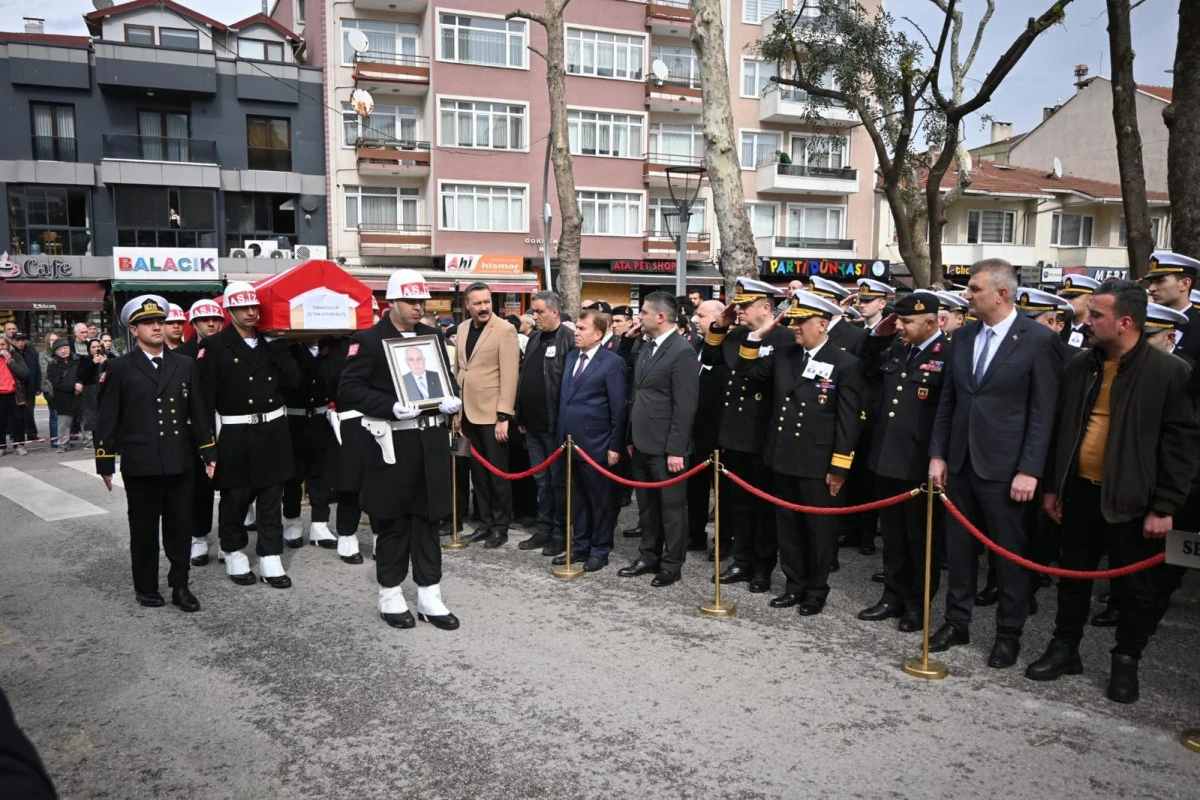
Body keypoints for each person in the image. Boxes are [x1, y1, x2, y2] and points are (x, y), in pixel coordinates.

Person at [1027, 280, 1200, 703]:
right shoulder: (1080, 366)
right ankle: (1065, 647)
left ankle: (1126, 660)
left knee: (1136, 591)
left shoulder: (1170, 373)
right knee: (1074, 577)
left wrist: (1165, 506)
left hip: (1137, 503)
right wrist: (1054, 488)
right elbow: (1061, 433)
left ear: (1125, 322)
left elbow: (1182, 448)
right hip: (1080, 494)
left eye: (1096, 315)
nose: (1086, 322)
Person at [928, 259, 1062, 668]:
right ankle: (957, 621)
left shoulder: (1038, 340)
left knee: (1009, 555)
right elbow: (948, 400)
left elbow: (1044, 413)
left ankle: (1009, 633)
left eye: (974, 289)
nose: (966, 296)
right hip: (961, 463)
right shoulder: (964, 337)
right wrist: (938, 454)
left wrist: (1030, 469)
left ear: (1001, 293)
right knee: (960, 548)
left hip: (1007, 470)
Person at [339, 269, 462, 630]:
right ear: (391, 301)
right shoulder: (369, 339)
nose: (418, 308)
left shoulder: (431, 335)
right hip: (392, 440)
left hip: (430, 439)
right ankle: (390, 594)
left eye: (422, 301)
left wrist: (452, 398)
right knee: (392, 521)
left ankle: (429, 594)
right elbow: (348, 389)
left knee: (428, 520)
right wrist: (388, 406)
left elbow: (445, 379)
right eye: (411, 301)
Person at [740, 290, 864, 616]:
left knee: (818, 532)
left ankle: (815, 589)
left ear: (822, 324)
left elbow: (848, 421)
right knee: (788, 527)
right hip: (783, 456)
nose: (795, 328)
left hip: (818, 462)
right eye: (792, 322)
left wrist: (839, 467)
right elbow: (748, 371)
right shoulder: (785, 354)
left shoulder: (845, 363)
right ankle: (793, 585)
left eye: (801, 322)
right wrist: (756, 336)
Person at [94, 294, 216, 612]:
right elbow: (107, 416)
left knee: (179, 528)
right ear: (134, 330)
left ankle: (180, 586)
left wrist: (208, 453)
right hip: (141, 462)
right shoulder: (120, 367)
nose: (157, 327)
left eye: (160, 321)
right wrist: (105, 460)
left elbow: (199, 411)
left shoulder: (184, 364)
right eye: (149, 323)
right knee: (144, 530)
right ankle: (146, 587)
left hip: (179, 459)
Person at [198, 281, 301, 589]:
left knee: (272, 498)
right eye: (244, 307)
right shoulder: (215, 347)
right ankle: (232, 550)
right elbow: (203, 402)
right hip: (236, 432)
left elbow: (294, 383)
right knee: (235, 498)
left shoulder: (271, 344)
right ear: (230, 310)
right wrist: (208, 449)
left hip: (273, 430)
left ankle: (271, 556)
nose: (252, 312)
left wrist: (278, 346)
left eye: (255, 306)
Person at [857, 292, 946, 631]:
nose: (901, 327)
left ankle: (917, 604)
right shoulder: (896, 349)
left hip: (919, 462)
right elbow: (864, 371)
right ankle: (892, 595)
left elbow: (945, 414)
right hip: (887, 457)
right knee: (892, 536)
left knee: (920, 539)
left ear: (932, 323)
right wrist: (877, 335)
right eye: (899, 320)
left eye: (907, 322)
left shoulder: (945, 356)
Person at [702, 278, 784, 593]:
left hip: (762, 434)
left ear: (766, 307)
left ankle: (762, 567)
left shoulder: (783, 338)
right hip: (734, 433)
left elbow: (754, 373)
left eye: (745, 305)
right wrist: (719, 325)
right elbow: (709, 359)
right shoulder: (735, 334)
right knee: (738, 505)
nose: (739, 311)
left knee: (763, 508)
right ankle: (741, 560)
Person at [617, 292, 699, 587]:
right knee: (648, 507)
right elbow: (636, 394)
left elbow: (685, 405)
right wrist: (629, 436)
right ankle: (648, 555)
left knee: (672, 508)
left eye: (643, 312)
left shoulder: (682, 351)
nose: (639, 317)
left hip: (667, 448)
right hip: (640, 442)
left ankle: (671, 563)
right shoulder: (646, 346)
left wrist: (676, 449)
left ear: (660, 317)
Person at [556, 309, 628, 571]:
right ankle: (580, 545)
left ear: (598, 334)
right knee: (577, 498)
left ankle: (600, 548)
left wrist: (614, 445)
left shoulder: (612, 362)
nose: (576, 332)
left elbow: (619, 408)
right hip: (569, 442)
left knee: (600, 500)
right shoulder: (572, 357)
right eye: (576, 327)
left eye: (582, 328)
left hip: (597, 444)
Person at [454, 282, 520, 549]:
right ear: (467, 305)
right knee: (477, 473)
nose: (483, 307)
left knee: (497, 473)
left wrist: (504, 416)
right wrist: (457, 411)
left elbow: (510, 375)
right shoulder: (462, 328)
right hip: (466, 413)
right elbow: (460, 371)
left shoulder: (505, 330)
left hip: (493, 414)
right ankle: (484, 522)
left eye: (487, 302)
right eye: (478, 303)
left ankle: (500, 526)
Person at [514, 291, 575, 557]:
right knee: (541, 480)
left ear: (555, 312)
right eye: (533, 312)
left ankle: (561, 532)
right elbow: (525, 377)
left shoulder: (568, 339)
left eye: (538, 312)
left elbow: (570, 384)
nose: (534, 316)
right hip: (533, 424)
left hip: (555, 426)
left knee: (558, 482)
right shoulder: (534, 338)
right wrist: (521, 415)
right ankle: (544, 527)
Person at [175, 299, 224, 566]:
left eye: (215, 319)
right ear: (193, 323)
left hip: (230, 423)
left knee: (232, 485)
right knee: (200, 488)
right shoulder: (182, 354)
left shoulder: (231, 347)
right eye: (204, 320)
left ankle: (230, 538)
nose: (211, 323)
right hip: (197, 428)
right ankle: (199, 537)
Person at [281, 339, 339, 551]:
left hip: (321, 417)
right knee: (292, 477)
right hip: (294, 419)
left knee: (321, 475)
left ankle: (320, 524)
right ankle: (292, 521)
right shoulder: (288, 347)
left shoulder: (334, 347)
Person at [687, 299, 727, 555]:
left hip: (719, 432)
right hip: (696, 430)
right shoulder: (697, 345)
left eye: (700, 315)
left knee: (722, 493)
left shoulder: (729, 348)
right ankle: (695, 533)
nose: (694, 320)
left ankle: (723, 540)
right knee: (695, 488)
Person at [1144, 251, 1200, 361]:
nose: (1151, 288)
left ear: (1185, 284)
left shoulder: (1197, 326)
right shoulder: (1144, 320)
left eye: (1160, 281)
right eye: (1151, 282)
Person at [809, 276, 866, 356]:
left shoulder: (857, 335)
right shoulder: (809, 329)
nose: (810, 305)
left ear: (833, 303)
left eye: (817, 301)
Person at [46, 338, 80, 452]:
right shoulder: (52, 364)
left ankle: (89, 442)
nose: (63, 351)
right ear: (55, 352)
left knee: (85, 419)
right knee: (64, 422)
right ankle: (62, 444)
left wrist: (80, 385)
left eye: (65, 348)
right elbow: (56, 382)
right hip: (63, 396)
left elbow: (85, 374)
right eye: (59, 349)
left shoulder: (79, 359)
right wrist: (74, 386)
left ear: (69, 348)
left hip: (80, 394)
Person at [0, 337, 30, 455]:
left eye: (3, 344)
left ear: (7, 346)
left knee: (17, 421)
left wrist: (10, 361)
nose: (1, 347)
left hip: (14, 394)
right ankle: (1, 446)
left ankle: (19, 445)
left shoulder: (15, 356)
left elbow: (25, 373)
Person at [76, 338, 108, 449]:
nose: (96, 349)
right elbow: (81, 376)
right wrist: (93, 364)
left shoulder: (110, 358)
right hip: (91, 395)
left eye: (98, 346)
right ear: (89, 350)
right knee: (94, 421)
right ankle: (96, 444)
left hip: (106, 392)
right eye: (93, 347)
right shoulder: (84, 360)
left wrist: (106, 363)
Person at [10, 333, 39, 444]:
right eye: (18, 340)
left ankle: (32, 434)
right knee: (16, 415)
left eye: (22, 340)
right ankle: (16, 436)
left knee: (29, 412)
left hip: (30, 387)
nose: (20, 342)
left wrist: (37, 385)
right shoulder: (11, 354)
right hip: (17, 389)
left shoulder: (31, 352)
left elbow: (37, 370)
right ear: (13, 341)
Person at [38, 333, 59, 446]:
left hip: (63, 389)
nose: (54, 342)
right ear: (47, 342)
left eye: (56, 339)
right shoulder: (43, 355)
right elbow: (45, 374)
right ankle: (55, 440)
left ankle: (64, 439)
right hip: (50, 390)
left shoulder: (62, 353)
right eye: (52, 340)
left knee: (64, 416)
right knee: (54, 415)